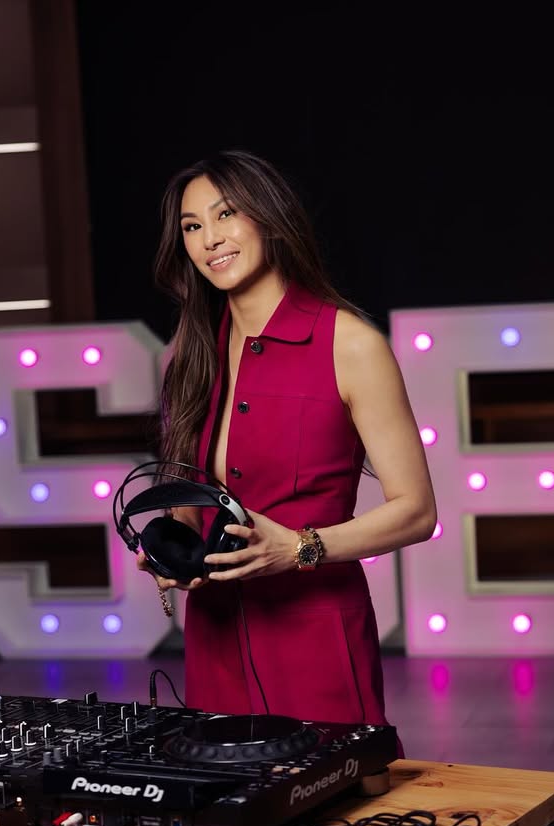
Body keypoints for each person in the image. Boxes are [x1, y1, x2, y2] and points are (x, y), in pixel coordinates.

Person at [139, 150, 436, 736]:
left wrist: (300, 548)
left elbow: (417, 512)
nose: (209, 239)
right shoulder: (190, 355)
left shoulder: (350, 344)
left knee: (338, 789)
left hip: (317, 640)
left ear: (268, 216)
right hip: (214, 641)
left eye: (225, 214)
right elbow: (190, 495)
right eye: (192, 227)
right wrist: (175, 552)